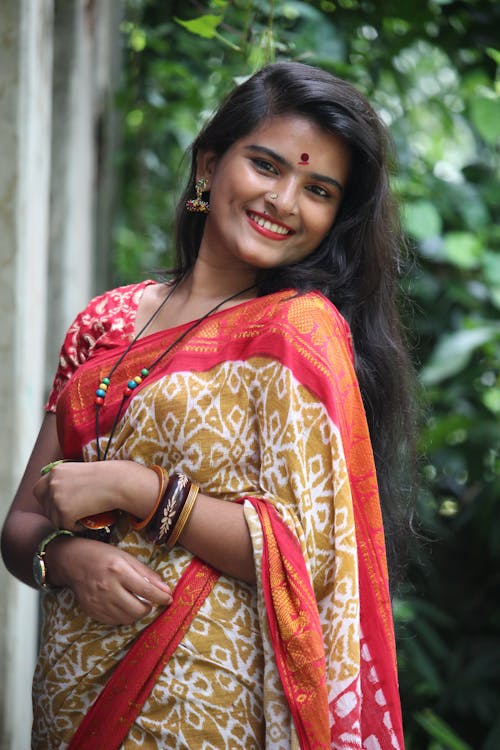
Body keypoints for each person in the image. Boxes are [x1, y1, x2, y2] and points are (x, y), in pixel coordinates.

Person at [1, 61, 415, 749]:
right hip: (70, 695)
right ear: (209, 163)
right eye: (266, 165)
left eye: (317, 189)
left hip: (209, 706)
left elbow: (310, 559)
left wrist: (143, 490)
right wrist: (67, 560)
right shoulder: (103, 324)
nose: (284, 200)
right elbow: (19, 524)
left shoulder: (296, 333)